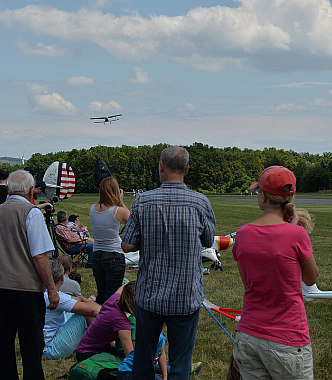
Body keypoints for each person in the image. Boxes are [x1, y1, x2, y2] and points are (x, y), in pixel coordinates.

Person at [121, 146, 216, 380]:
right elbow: (207, 240)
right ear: (187, 169)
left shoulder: (143, 201)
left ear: (161, 166)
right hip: (186, 296)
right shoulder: (200, 203)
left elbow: (127, 245)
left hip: (150, 295)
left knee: (142, 359)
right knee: (180, 364)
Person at [232, 166, 319, 380]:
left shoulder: (243, 233)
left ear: (262, 196)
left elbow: (249, 281)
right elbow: (311, 278)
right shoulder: (298, 234)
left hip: (249, 334)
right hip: (288, 337)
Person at [0, 169, 59, 380]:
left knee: (3, 346)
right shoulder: (31, 212)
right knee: (31, 347)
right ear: (30, 190)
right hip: (26, 289)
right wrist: (52, 290)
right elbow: (40, 257)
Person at [43, 259, 101, 360]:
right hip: (50, 349)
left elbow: (80, 299)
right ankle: (105, 347)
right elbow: (94, 310)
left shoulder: (44, 293)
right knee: (86, 314)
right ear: (62, 278)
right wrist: (111, 312)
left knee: (79, 311)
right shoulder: (56, 298)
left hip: (39, 344)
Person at [90, 177, 130, 305]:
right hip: (114, 255)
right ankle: (107, 321)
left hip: (96, 255)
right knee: (113, 297)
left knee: (101, 294)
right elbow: (132, 221)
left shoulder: (92, 209)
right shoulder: (118, 210)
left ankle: (98, 320)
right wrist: (121, 201)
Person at [75, 281, 136, 362]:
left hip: (87, 349)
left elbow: (125, 286)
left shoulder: (115, 299)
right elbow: (130, 357)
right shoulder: (122, 323)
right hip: (88, 355)